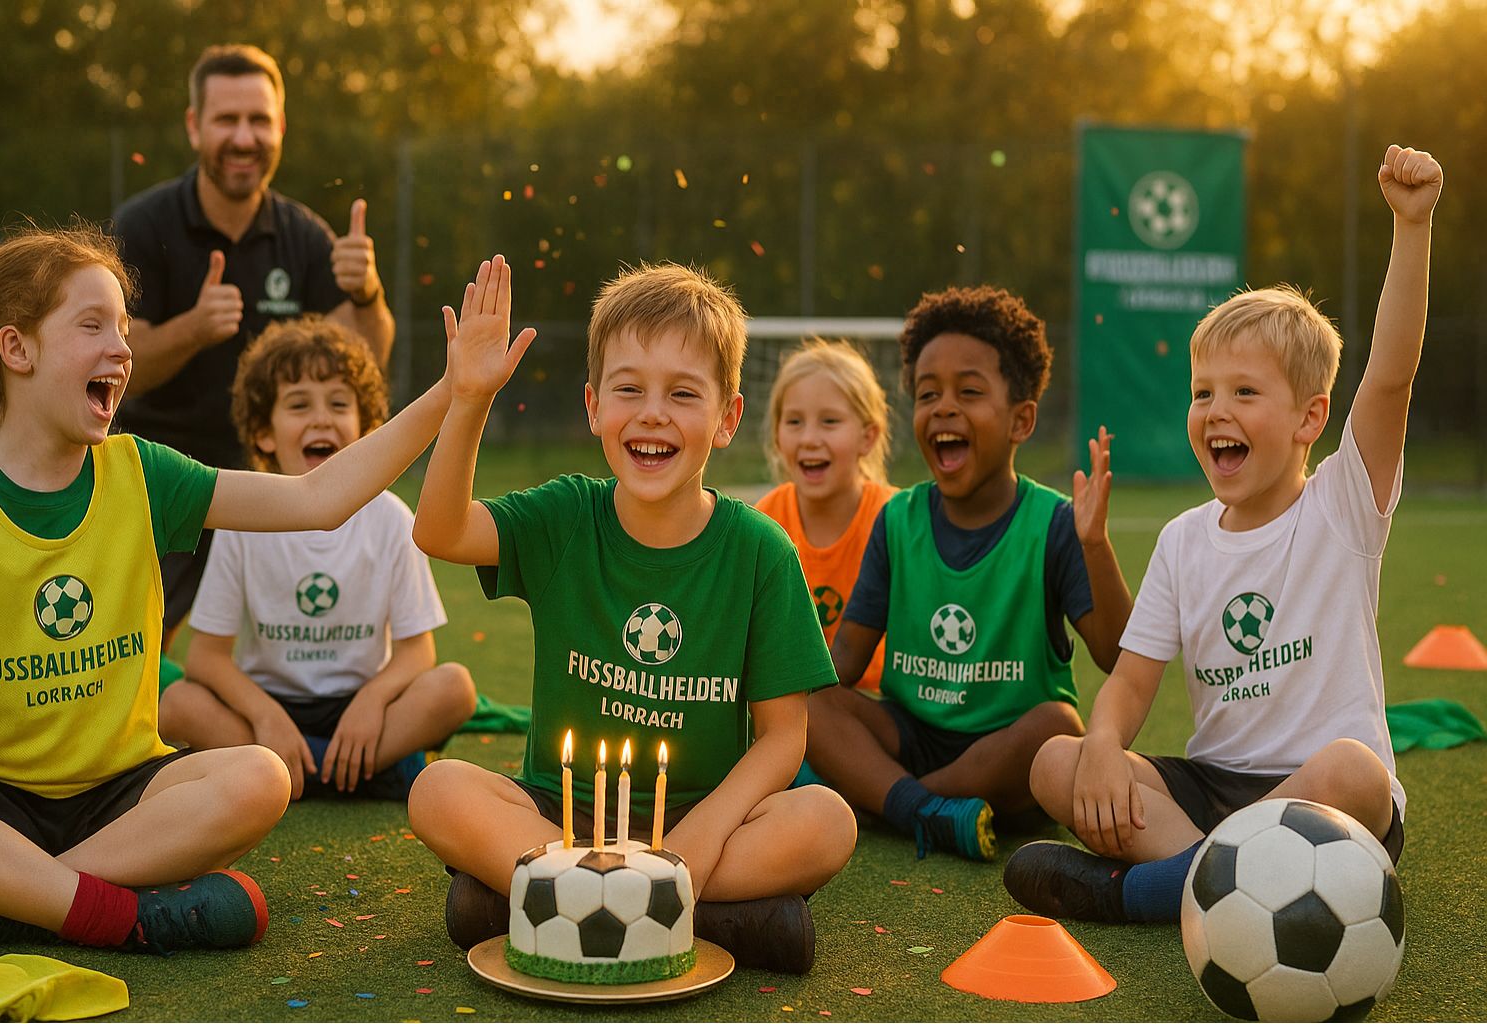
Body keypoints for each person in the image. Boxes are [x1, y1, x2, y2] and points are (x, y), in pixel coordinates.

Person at [0, 224, 452, 953]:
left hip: (126, 796)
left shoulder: (143, 474)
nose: (122, 349)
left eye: (124, 327)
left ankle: (17, 897)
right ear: (16, 348)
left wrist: (451, 391)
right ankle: (113, 914)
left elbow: (316, 497)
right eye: (92, 325)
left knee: (260, 778)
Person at [1003, 145, 1442, 924]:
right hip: (1206, 790)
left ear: (1311, 418)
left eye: (1245, 391)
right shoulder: (1183, 539)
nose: (1215, 411)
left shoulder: (1342, 504)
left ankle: (1145, 893)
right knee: (1056, 761)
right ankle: (1219, 885)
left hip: (1322, 805)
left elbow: (1390, 376)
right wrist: (1104, 745)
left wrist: (1412, 225)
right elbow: (1133, 680)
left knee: (1358, 772)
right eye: (1202, 391)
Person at [406, 258, 857, 974]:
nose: (653, 413)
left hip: (696, 827)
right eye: (629, 390)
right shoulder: (565, 515)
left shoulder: (761, 551)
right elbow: (440, 531)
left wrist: (702, 839)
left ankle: (534, 906)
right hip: (556, 821)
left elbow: (782, 738)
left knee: (827, 821)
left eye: (683, 393)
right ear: (593, 407)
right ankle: (698, 914)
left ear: (728, 417)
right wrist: (468, 400)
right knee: (437, 790)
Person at [804, 286, 1134, 861]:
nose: (944, 407)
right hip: (911, 736)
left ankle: (897, 803)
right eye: (927, 393)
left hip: (1009, 751)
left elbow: (1116, 654)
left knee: (1057, 724)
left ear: (1021, 420)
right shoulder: (898, 521)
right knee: (807, 701)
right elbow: (845, 663)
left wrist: (1095, 544)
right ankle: (927, 810)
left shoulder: (1052, 524)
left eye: (970, 392)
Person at [110, 43, 396, 641]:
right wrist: (192, 329)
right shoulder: (144, 227)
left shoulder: (305, 236)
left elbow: (364, 360)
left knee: (307, 647)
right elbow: (112, 370)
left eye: (259, 120)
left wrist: (367, 294)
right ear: (195, 127)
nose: (244, 137)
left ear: (281, 127)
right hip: (164, 475)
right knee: (130, 638)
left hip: (273, 479)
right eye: (227, 120)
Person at [158, 316, 477, 801]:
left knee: (455, 688)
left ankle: (297, 772)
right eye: (299, 404)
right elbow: (205, 657)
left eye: (338, 403)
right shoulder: (246, 522)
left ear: (368, 429)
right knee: (176, 702)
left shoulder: (392, 518)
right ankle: (350, 769)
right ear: (265, 434)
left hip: (359, 707)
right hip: (270, 705)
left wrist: (371, 702)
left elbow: (418, 652)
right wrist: (266, 717)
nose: (321, 419)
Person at [756, 340, 897, 691]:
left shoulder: (896, 521)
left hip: (878, 706)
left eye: (830, 421)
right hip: (796, 704)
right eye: (794, 421)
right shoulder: (765, 522)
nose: (809, 438)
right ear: (776, 434)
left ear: (868, 437)